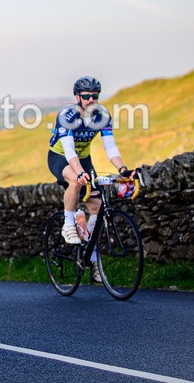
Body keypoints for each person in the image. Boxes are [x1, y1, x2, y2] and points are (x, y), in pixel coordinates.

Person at [47, 76, 135, 282]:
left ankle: (93, 257)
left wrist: (122, 169)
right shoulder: (67, 115)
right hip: (60, 157)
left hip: (84, 158)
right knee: (76, 182)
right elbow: (69, 150)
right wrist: (78, 172)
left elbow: (110, 147)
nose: (91, 100)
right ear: (77, 97)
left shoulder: (102, 116)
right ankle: (68, 224)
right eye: (86, 96)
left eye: (95, 96)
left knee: (96, 205)